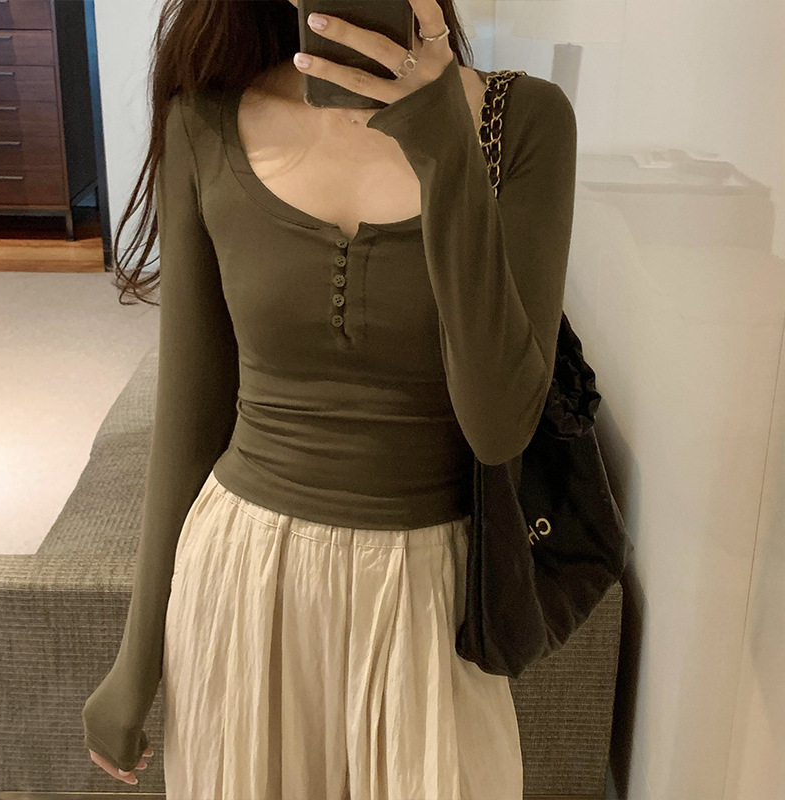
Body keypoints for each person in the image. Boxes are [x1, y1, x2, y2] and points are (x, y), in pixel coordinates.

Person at [81, 0, 577, 796]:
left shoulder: (522, 122)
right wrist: (135, 663)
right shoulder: (204, 121)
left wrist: (445, 151)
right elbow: (190, 414)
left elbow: (498, 426)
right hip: (243, 587)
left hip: (431, 603)